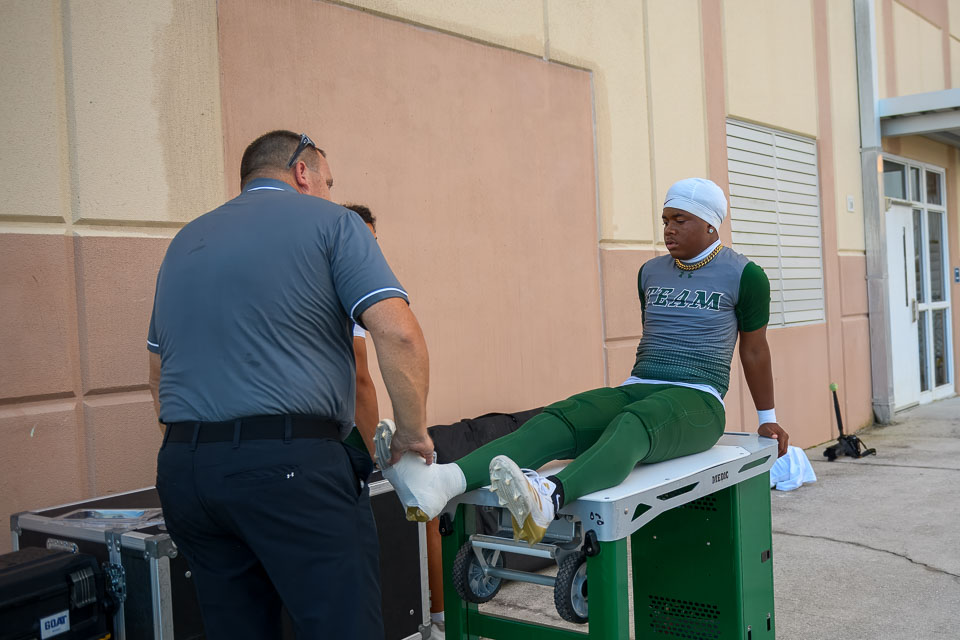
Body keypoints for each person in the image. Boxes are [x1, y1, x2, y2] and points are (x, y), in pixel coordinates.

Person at [380, 177, 789, 546]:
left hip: (699, 399)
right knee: (561, 416)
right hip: (639, 386)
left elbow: (754, 350)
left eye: (680, 220)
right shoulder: (650, 272)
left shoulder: (746, 275)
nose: (669, 229)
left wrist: (767, 417)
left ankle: (548, 497)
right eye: (665, 220)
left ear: (711, 224)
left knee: (634, 422)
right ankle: (441, 483)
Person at [146, 130, 433, 639]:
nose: (328, 192)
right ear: (302, 171)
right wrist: (411, 433)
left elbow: (157, 375)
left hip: (187, 474)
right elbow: (399, 333)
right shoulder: (334, 223)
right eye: (328, 182)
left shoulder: (184, 241)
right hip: (291, 467)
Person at [342, 203, 380, 457]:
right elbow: (359, 379)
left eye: (373, 242)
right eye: (362, 242)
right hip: (335, 434)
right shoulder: (347, 290)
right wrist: (380, 456)